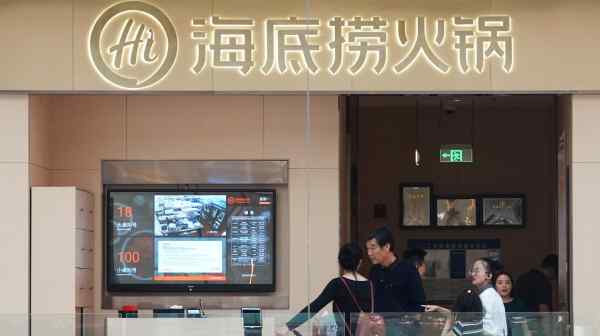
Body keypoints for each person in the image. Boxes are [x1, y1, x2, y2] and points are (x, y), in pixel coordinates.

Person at [277, 242, 372, 336]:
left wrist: (288, 326)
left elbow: (314, 307)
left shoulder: (337, 284)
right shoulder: (370, 285)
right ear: (360, 262)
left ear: (340, 262)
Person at [367, 227, 426, 335]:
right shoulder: (374, 272)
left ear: (387, 247)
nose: (369, 253)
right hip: (380, 331)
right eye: (368, 249)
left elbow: (419, 304)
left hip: (405, 331)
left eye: (373, 248)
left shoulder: (408, 270)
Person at [471, 258, 508, 336]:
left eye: (477, 271)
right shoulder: (489, 295)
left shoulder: (488, 297)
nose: (473, 274)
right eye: (472, 271)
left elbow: (487, 330)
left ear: (489, 275)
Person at [494, 272, 529, 336]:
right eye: (500, 283)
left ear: (512, 285)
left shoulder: (519, 304)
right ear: (495, 286)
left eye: (507, 283)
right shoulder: (491, 305)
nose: (504, 286)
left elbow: (525, 328)